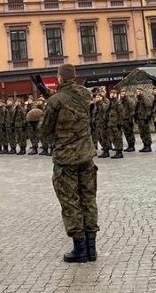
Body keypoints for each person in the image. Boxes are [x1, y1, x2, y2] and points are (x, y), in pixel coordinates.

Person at [40, 63, 99, 263]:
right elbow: (72, 102)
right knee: (88, 200)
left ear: (60, 78)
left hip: (66, 160)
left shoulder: (55, 101)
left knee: (71, 203)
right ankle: (92, 249)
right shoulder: (85, 94)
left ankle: (80, 249)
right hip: (86, 156)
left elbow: (44, 129)